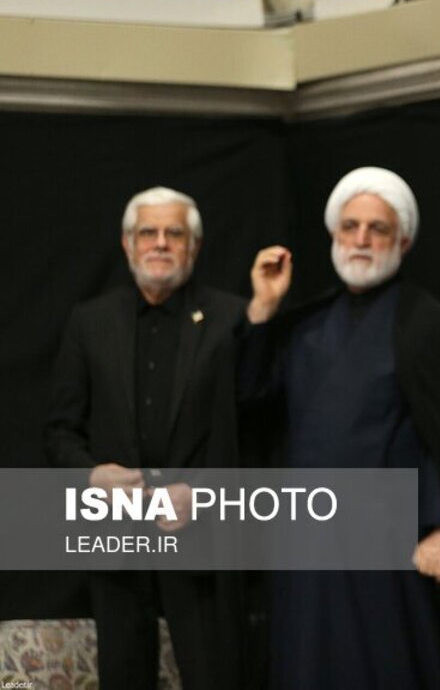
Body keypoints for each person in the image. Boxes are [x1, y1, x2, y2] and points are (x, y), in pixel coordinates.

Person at [240, 166, 440, 690]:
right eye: (350, 226)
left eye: (377, 229)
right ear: (334, 236)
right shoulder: (305, 325)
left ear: (402, 241)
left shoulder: (425, 325)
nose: (361, 239)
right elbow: (251, 403)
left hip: (387, 544)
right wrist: (263, 309)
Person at [45, 186, 246, 690]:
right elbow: (60, 430)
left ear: (194, 246)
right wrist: (91, 475)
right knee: (123, 676)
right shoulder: (90, 322)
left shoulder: (232, 320)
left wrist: (201, 493)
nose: (160, 243)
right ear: (127, 243)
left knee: (214, 675)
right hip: (117, 535)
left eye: (173, 233)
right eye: (147, 232)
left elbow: (253, 435)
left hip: (200, 534)